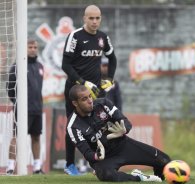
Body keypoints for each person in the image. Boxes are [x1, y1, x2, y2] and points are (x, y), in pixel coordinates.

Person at [66, 84, 171, 182]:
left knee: (165, 161)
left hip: (123, 145)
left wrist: (124, 129)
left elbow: (125, 122)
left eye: (90, 96)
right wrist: (97, 156)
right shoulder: (73, 126)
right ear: (75, 103)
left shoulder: (103, 104)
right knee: (107, 175)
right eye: (84, 99)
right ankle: (139, 177)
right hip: (104, 159)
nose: (90, 101)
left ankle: (160, 179)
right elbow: (87, 153)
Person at [62, 4, 117, 175]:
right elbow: (65, 65)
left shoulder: (103, 38)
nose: (94, 21)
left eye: (97, 18)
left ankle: (99, 163)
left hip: (96, 92)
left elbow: (112, 58)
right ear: (84, 18)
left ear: (100, 19)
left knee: (100, 126)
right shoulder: (75, 36)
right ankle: (70, 165)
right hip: (76, 90)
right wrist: (82, 82)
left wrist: (109, 80)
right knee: (73, 126)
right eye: (91, 18)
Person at [6, 39, 44, 175]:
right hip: (22, 110)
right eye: (30, 47)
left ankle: (37, 167)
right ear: (24, 48)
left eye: (35, 47)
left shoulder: (40, 66)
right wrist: (18, 103)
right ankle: (10, 167)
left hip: (37, 109)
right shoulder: (17, 66)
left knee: (36, 137)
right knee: (17, 137)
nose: (33, 49)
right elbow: (10, 89)